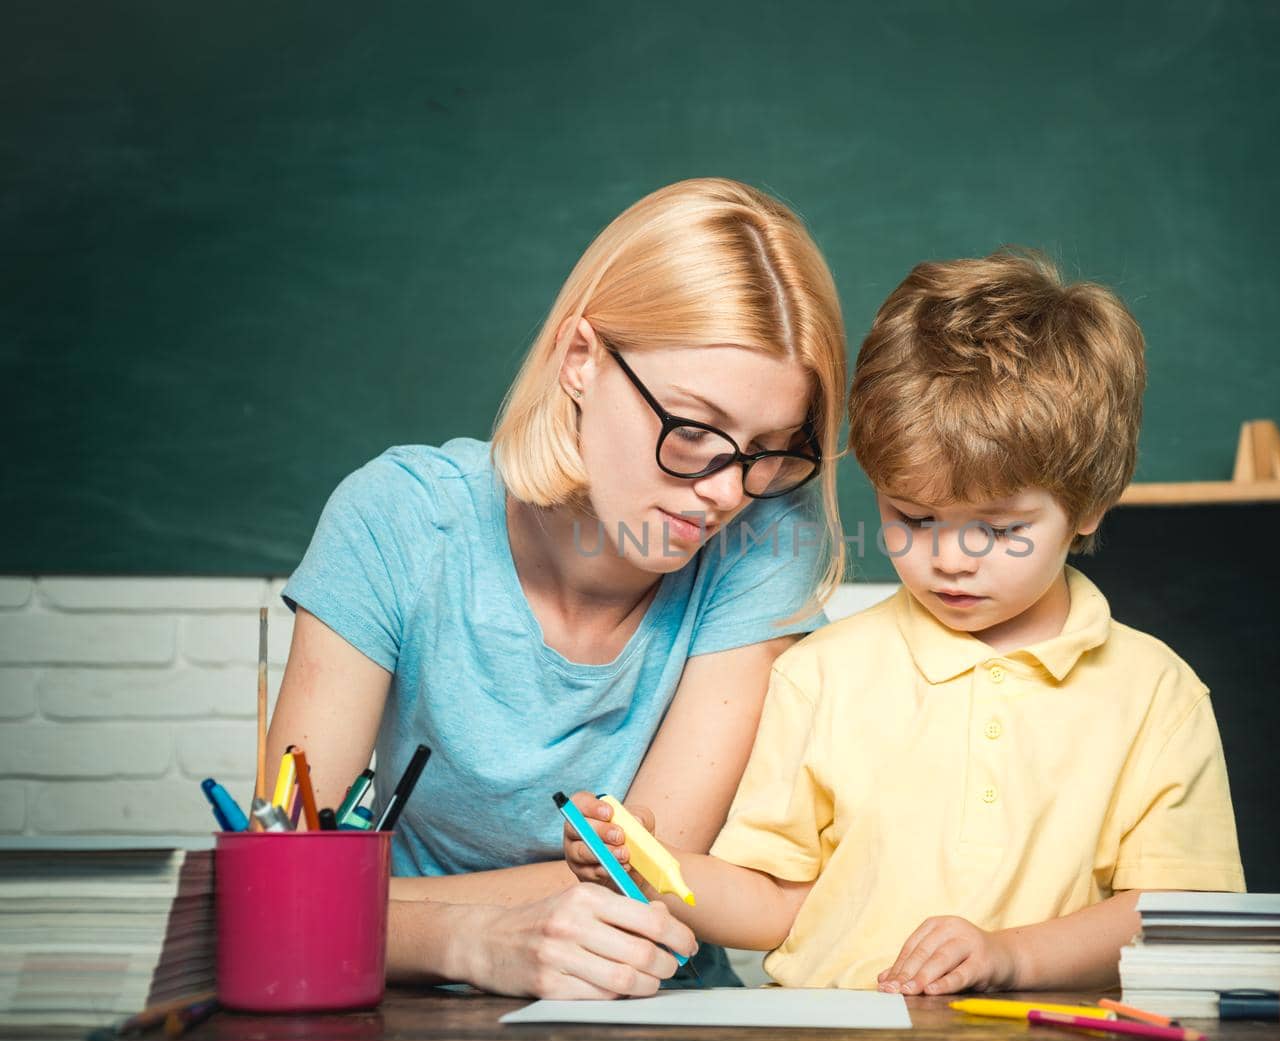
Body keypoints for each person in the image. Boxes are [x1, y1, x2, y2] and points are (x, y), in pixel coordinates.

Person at [565, 248, 1245, 992]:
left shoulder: (1154, 693)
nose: (949, 559)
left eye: (996, 529)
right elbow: (776, 905)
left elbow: (1181, 909)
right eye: (913, 518)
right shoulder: (818, 674)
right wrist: (646, 869)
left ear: (1086, 507)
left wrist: (1012, 956)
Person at [267, 178, 849, 998]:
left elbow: (640, 882)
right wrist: (470, 939)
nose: (727, 491)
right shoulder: (398, 517)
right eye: (693, 433)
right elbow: (278, 896)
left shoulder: (766, 538)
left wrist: (367, 910)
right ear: (581, 359)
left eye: (768, 450)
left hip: (652, 1021)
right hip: (396, 1013)